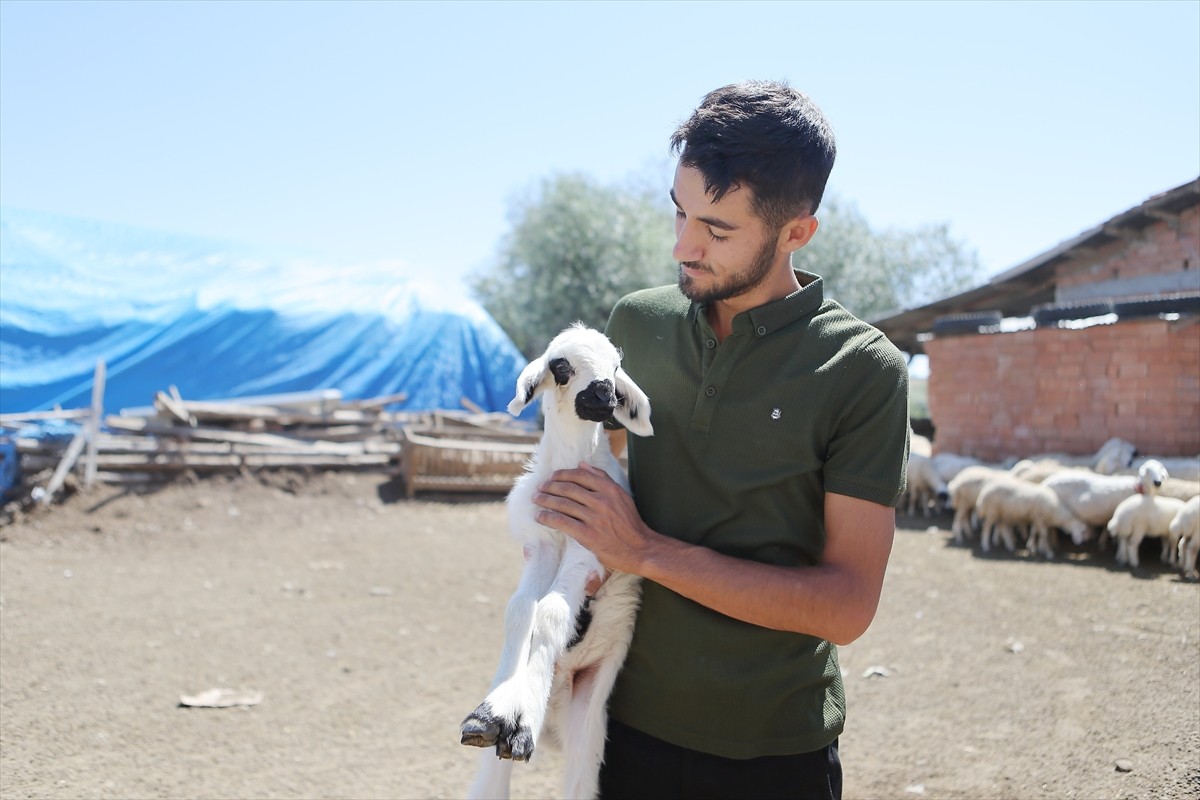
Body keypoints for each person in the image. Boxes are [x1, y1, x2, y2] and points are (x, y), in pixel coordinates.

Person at [532, 80, 910, 800]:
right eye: (679, 212)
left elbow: (846, 606)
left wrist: (644, 550)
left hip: (773, 752)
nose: (682, 245)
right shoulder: (636, 325)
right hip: (620, 731)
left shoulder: (864, 371)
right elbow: (607, 482)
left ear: (797, 232)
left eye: (717, 228)